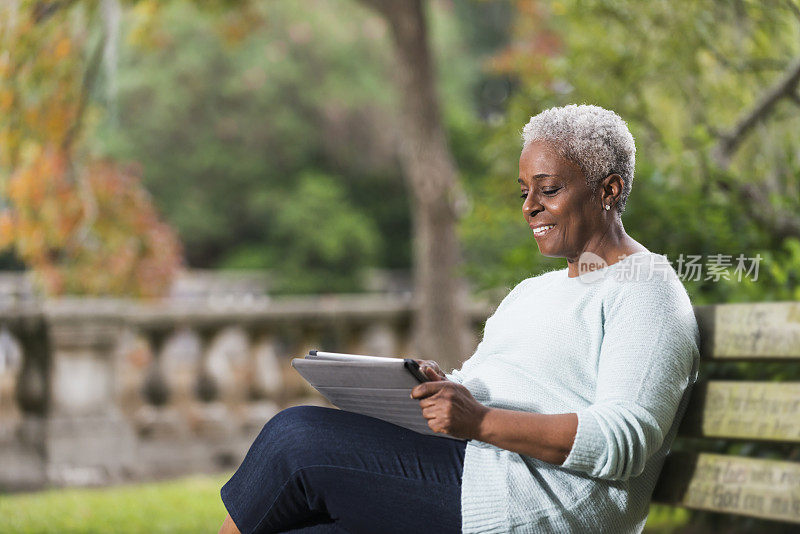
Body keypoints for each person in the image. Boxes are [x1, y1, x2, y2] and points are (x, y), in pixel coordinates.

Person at [217, 104, 700, 534]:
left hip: (540, 500)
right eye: (524, 192)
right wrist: (440, 388)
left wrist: (481, 420)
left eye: (548, 189)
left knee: (295, 439)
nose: (530, 207)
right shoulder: (533, 292)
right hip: (480, 466)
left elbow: (625, 440)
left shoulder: (645, 290)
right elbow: (486, 387)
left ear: (608, 191)